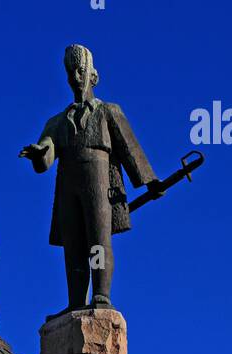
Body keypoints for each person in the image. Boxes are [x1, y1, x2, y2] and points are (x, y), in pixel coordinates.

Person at [20, 44, 163, 310]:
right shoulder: (57, 122)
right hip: (67, 183)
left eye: (80, 71)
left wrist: (149, 181)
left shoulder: (108, 111)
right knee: (73, 245)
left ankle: (101, 294)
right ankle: (75, 301)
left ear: (93, 76)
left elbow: (129, 148)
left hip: (98, 180)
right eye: (71, 72)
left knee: (98, 240)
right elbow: (46, 158)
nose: (75, 77)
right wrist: (40, 153)